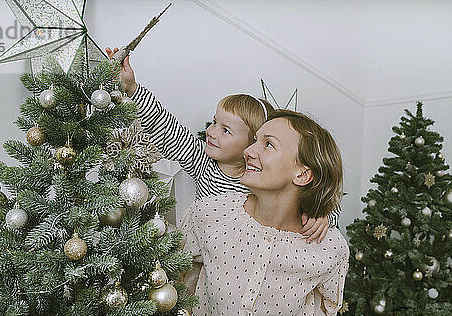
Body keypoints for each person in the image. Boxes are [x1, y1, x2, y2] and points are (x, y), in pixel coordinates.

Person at [179, 109, 349, 316]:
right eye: (254, 141)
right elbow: (176, 285)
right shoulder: (209, 215)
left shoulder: (330, 246)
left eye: (267, 144)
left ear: (303, 173)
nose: (248, 151)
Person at [105, 47, 340, 241]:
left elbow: (313, 193)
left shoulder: (261, 183)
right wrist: (133, 89)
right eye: (215, 122)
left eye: (225, 130)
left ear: (250, 144)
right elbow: (166, 128)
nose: (211, 132)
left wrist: (323, 216)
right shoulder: (204, 163)